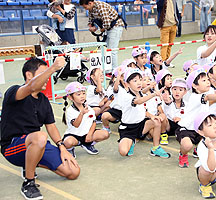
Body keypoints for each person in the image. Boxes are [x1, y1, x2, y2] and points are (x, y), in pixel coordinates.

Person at [0, 57, 80, 200]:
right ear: (29, 75)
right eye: (44, 73)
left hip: (37, 144)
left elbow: (51, 125)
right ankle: (29, 183)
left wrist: (62, 147)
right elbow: (30, 87)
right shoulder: (14, 92)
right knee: (40, 136)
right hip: (12, 146)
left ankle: (31, 162)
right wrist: (53, 68)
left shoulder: (43, 100)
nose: (48, 78)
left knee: (73, 171)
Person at [175, 68, 216, 168]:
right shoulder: (195, 96)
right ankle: (183, 154)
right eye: (204, 81)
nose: (207, 82)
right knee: (187, 145)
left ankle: (199, 148)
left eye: (208, 80)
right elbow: (208, 98)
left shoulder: (206, 93)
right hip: (186, 129)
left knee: (215, 136)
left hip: (200, 130)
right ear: (195, 86)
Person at [118, 68, 171, 158]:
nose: (139, 83)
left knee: (156, 121)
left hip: (141, 125)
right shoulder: (126, 96)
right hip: (128, 129)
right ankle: (131, 142)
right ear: (127, 84)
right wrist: (154, 94)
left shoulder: (139, 92)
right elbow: (139, 101)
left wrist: (150, 87)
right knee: (123, 152)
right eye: (135, 81)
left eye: (140, 80)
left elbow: (142, 93)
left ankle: (155, 148)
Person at [62, 82, 110, 158]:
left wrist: (90, 134)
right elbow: (76, 124)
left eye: (83, 93)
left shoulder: (89, 108)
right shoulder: (70, 110)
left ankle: (88, 144)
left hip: (86, 134)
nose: (82, 96)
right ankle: (70, 149)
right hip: (75, 135)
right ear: (70, 97)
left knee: (105, 134)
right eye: (78, 94)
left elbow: (93, 122)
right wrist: (81, 114)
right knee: (68, 142)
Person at [80, 0, 125, 71]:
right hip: (107, 28)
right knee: (106, 50)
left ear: (90, 3)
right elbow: (91, 19)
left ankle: (114, 71)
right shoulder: (91, 8)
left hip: (115, 26)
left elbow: (107, 24)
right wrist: (91, 26)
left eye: (85, 7)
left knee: (112, 50)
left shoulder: (101, 7)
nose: (85, 9)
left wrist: (100, 29)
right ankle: (108, 69)